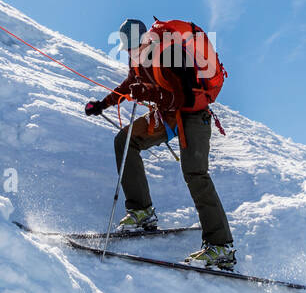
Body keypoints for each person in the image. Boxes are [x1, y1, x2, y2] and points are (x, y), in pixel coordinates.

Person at [85, 18, 235, 270]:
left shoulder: (170, 52)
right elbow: (128, 86)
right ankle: (141, 212)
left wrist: (149, 94)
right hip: (167, 116)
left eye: (131, 46)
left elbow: (184, 96)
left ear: (142, 40)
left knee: (195, 173)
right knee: (125, 140)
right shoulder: (139, 59)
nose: (129, 53)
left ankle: (220, 246)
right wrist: (102, 104)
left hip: (193, 116)